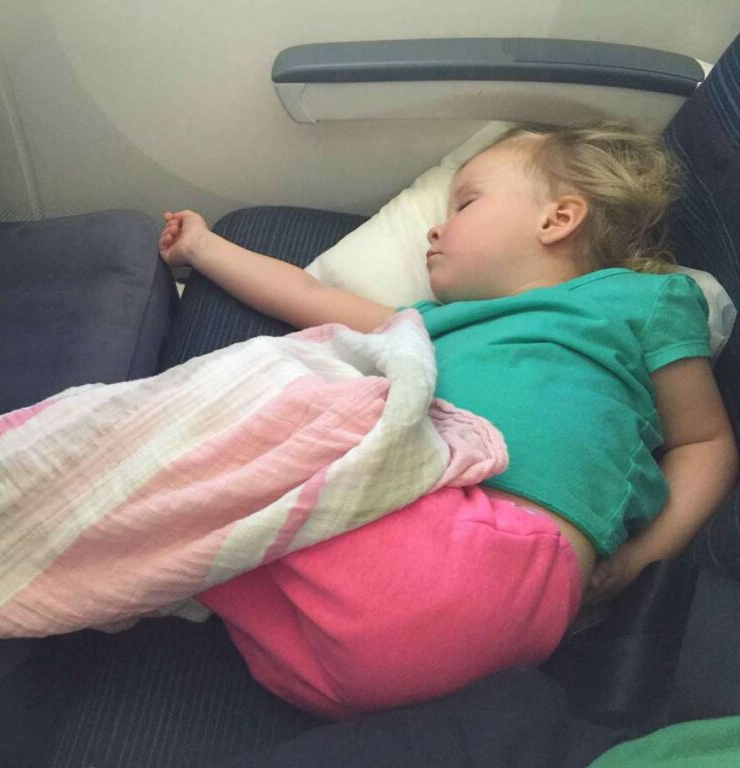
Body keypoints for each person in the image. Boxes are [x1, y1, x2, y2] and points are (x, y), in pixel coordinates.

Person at [156, 123, 739, 719]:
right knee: (201, 486)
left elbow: (705, 440)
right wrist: (202, 247)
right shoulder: (435, 322)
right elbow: (307, 295)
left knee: (214, 467)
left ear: (557, 220)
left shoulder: (640, 299)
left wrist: (642, 559)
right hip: (332, 639)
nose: (436, 228)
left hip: (498, 561)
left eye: (464, 204)